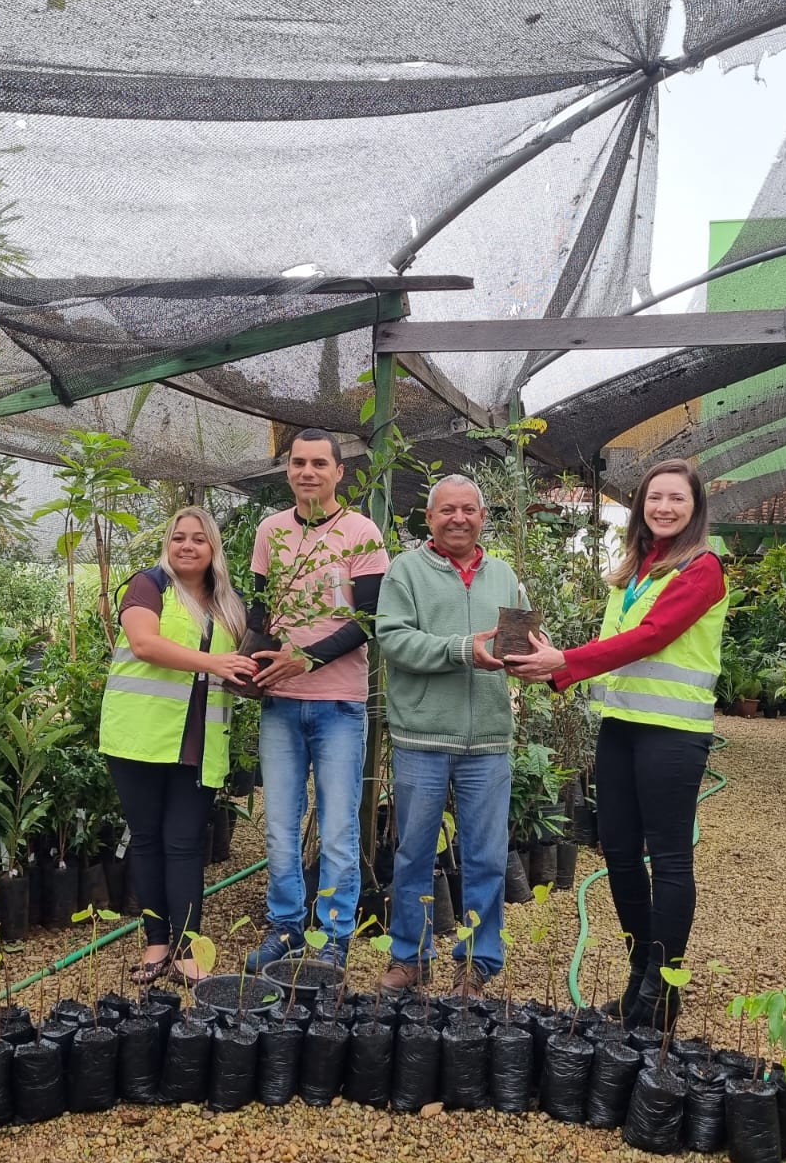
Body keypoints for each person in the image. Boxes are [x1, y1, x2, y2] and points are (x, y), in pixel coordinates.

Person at [506, 458, 727, 1030]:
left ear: (695, 508)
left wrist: (567, 663)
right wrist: (552, 665)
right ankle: (639, 984)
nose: (664, 508)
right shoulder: (637, 569)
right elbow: (615, 645)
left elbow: (653, 638)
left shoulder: (702, 569)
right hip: (622, 728)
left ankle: (663, 988)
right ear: (640, 507)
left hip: (674, 737)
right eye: (655, 498)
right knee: (621, 855)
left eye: (676, 499)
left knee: (670, 859)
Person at [243, 428, 389, 973]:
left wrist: (307, 658)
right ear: (288, 471)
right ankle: (284, 928)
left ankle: (332, 938)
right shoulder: (270, 532)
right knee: (280, 823)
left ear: (337, 472)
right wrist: (251, 664)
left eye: (318, 464)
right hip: (280, 703)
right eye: (298, 463)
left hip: (339, 704)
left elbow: (369, 619)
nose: (308, 472)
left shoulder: (361, 532)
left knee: (338, 826)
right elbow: (259, 614)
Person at [375, 474, 524, 999]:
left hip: (487, 737)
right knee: (414, 852)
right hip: (422, 735)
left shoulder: (504, 575)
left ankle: (479, 961)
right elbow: (393, 639)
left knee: (486, 854)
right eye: (447, 510)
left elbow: (520, 639)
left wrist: (534, 654)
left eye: (468, 510)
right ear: (429, 517)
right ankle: (411, 957)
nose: (458, 518)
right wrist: (462, 649)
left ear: (483, 517)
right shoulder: (406, 572)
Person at [98, 507, 257, 985]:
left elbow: (241, 666)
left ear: (213, 550)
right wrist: (215, 662)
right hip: (139, 738)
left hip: (199, 743)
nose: (187, 546)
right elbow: (144, 644)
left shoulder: (231, 604)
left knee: (185, 844)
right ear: (168, 544)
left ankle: (188, 949)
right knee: (146, 840)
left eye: (199, 540)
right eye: (179, 538)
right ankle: (155, 943)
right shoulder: (148, 586)